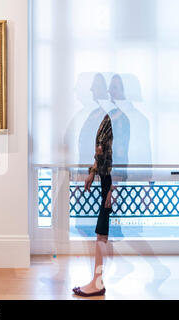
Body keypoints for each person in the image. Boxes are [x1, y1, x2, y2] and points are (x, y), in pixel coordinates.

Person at [73, 112, 113, 297]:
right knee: (101, 232)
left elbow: (118, 154)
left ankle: (97, 284)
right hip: (107, 181)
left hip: (111, 182)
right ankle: (96, 282)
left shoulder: (119, 119)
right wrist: (92, 171)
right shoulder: (106, 117)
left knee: (102, 233)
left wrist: (113, 188)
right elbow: (101, 151)